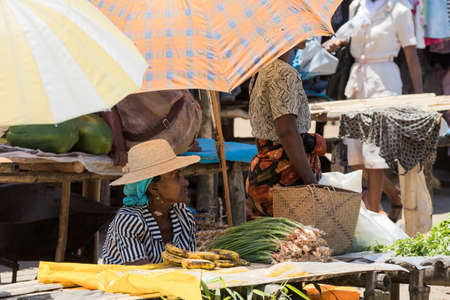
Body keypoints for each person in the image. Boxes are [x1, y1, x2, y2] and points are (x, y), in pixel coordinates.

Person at [323, 0, 423, 220]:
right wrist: (336, 42)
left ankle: (373, 215)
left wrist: (419, 96)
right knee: (357, 157)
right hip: (357, 81)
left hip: (384, 82)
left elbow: (411, 55)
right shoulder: (357, 6)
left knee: (375, 156)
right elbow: (350, 33)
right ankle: (393, 194)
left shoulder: (399, 11)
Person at [246, 41, 327, 218]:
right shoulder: (283, 72)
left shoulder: (262, 71)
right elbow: (287, 132)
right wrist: (311, 183)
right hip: (283, 175)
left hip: (265, 173)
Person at [102, 139, 200, 265]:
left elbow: (189, 265)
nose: (185, 182)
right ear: (153, 188)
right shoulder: (129, 221)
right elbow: (144, 276)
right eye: (176, 176)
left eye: (182, 175)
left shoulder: (183, 216)